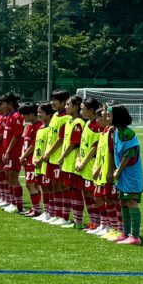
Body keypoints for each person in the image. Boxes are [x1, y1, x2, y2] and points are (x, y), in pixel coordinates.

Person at [34, 89, 71, 225]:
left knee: (62, 187)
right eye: (52, 100)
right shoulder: (55, 115)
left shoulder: (66, 118)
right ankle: (54, 213)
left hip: (59, 158)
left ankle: (64, 217)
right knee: (53, 186)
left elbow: (61, 139)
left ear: (63, 102)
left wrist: (48, 153)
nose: (52, 102)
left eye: (55, 100)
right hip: (50, 158)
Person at [110, 104, 143, 245]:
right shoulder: (116, 131)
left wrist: (118, 170)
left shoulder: (128, 133)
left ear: (117, 117)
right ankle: (125, 233)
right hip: (123, 174)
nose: (107, 117)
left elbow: (129, 154)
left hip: (130, 174)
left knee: (131, 202)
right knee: (123, 202)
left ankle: (135, 237)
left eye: (110, 115)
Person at [91, 104, 121, 240]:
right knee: (104, 198)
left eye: (102, 116)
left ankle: (118, 229)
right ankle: (108, 226)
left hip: (110, 173)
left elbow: (111, 153)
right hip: (102, 172)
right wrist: (97, 168)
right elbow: (102, 153)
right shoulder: (103, 132)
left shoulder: (112, 131)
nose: (99, 119)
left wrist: (110, 171)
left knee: (113, 200)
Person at [74, 98, 103, 234]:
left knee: (94, 196)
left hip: (92, 166)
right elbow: (82, 145)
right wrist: (78, 160)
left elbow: (95, 148)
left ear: (91, 110)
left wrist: (84, 162)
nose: (81, 111)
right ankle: (93, 222)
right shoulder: (87, 124)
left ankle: (99, 224)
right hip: (83, 166)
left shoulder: (97, 126)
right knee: (87, 195)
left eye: (83, 109)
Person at [57, 95, 85, 228]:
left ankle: (78, 222)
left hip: (73, 162)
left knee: (75, 191)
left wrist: (62, 157)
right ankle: (70, 219)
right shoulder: (69, 121)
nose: (66, 107)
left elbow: (74, 143)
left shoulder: (78, 123)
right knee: (69, 190)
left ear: (75, 107)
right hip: (68, 163)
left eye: (68, 104)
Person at [21, 103, 50, 218]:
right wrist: (23, 156)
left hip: (35, 160)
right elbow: (26, 143)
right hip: (28, 159)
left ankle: (38, 210)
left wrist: (24, 156)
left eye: (24, 114)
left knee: (31, 184)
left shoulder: (39, 126)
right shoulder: (29, 126)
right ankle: (36, 208)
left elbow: (33, 145)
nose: (23, 117)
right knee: (33, 185)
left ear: (31, 114)